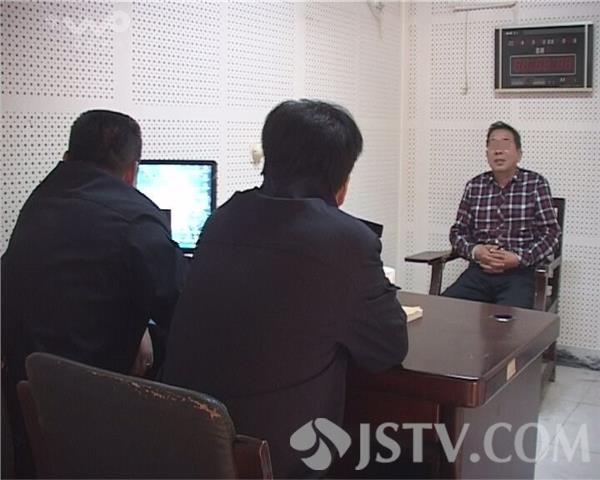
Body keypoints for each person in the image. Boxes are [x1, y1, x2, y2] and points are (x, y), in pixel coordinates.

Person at [161, 100, 408, 478]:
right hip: (269, 459)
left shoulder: (223, 218)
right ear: (341, 177)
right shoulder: (347, 240)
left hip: (185, 444)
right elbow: (388, 348)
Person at [1, 110, 188, 473]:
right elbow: (184, 309)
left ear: (68, 156)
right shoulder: (135, 218)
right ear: (132, 171)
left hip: (30, 408)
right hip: (97, 413)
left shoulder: (39, 201)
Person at [443, 121, 561, 309]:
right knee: (443, 310)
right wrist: (476, 251)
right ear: (487, 154)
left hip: (520, 275)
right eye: (493, 145)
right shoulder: (475, 186)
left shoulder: (536, 184)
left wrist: (519, 258)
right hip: (479, 273)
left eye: (505, 144)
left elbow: (551, 234)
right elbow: (457, 232)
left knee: (508, 322)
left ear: (519, 154)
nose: (498, 151)